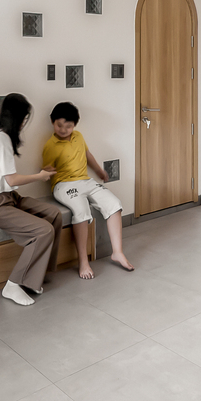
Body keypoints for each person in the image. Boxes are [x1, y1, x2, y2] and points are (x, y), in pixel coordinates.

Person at [0, 93, 63, 306]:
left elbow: (8, 182)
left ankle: (35, 277)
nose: (24, 123)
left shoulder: (0, 136)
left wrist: (42, 173)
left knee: (54, 214)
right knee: (43, 230)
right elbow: (12, 179)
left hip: (8, 198)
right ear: (15, 117)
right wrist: (40, 176)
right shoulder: (1, 138)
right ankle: (13, 284)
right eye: (24, 118)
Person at [42, 101, 133, 278]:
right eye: (59, 125)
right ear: (52, 122)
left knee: (114, 204)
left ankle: (117, 252)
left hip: (85, 181)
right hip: (63, 185)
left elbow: (87, 155)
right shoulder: (50, 146)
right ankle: (83, 261)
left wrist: (99, 171)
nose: (63, 130)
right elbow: (46, 171)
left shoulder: (79, 137)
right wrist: (47, 171)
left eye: (68, 126)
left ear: (74, 126)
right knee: (82, 211)